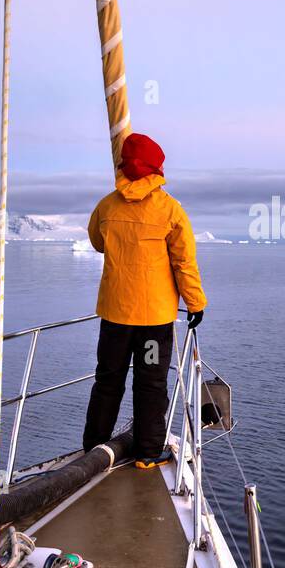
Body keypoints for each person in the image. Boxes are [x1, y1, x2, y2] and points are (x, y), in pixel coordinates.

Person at [82, 132, 207, 468]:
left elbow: (97, 242)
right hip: (152, 322)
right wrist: (195, 304)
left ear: (124, 165)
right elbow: (184, 263)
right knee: (150, 383)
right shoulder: (170, 211)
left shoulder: (106, 206)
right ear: (156, 169)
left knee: (108, 381)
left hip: (115, 317)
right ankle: (148, 454)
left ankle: (93, 451)